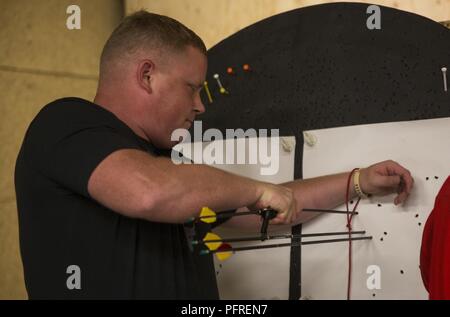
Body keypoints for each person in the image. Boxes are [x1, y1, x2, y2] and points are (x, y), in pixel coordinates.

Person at [14, 10, 414, 299]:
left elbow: (265, 212)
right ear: (147, 75)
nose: (200, 105)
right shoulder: (67, 122)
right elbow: (149, 191)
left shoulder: (164, 169)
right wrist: (255, 190)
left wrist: (357, 181)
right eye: (191, 87)